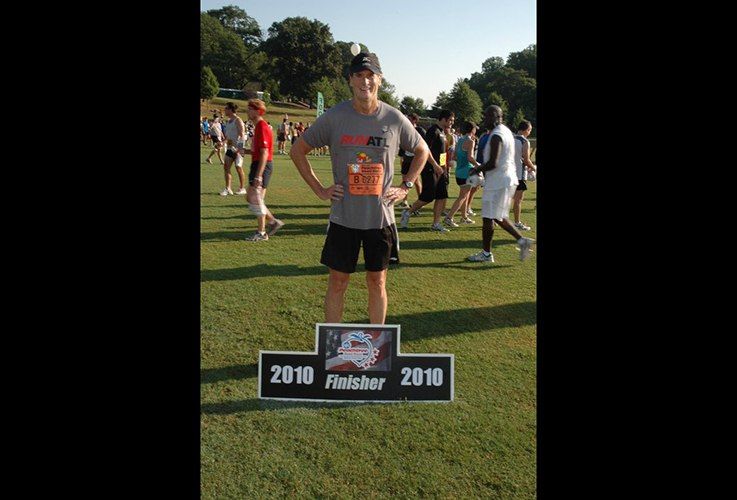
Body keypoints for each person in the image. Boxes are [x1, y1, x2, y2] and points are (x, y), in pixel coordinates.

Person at [289, 51, 429, 324]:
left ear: (380, 79)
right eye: (359, 76)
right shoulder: (334, 117)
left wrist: (406, 185)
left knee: (377, 282)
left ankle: (377, 344)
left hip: (381, 218)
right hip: (344, 218)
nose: (365, 82)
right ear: (350, 80)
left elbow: (422, 150)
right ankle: (332, 347)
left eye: (370, 76)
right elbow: (298, 150)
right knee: (338, 283)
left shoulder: (394, 118)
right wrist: (320, 189)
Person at [467, 105, 535, 263]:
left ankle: (486, 254)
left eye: (489, 116)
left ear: (498, 117)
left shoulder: (497, 135)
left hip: (498, 180)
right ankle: (521, 241)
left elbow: (493, 163)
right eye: (486, 116)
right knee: (497, 216)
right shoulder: (506, 132)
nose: (486, 119)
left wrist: (477, 169)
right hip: (506, 179)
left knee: (488, 217)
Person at [399, 110, 455, 233]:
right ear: (444, 119)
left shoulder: (443, 133)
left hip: (441, 169)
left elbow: (442, 152)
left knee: (441, 195)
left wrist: (445, 167)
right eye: (450, 120)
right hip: (430, 168)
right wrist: (435, 165)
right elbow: (425, 150)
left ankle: (436, 223)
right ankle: (407, 212)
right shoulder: (432, 131)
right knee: (428, 197)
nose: (452, 123)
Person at [243, 99, 284, 241]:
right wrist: (245, 151)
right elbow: (259, 150)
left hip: (262, 165)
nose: (247, 111)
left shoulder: (262, 126)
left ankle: (262, 232)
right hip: (258, 164)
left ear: (257, 111)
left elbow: (265, 153)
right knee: (252, 197)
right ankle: (272, 222)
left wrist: (258, 176)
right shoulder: (257, 127)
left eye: (250, 108)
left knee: (256, 198)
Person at [443, 121, 481, 226]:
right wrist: (479, 166)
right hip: (466, 172)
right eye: (475, 129)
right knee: (463, 196)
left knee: (465, 195)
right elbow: (470, 158)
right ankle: (449, 217)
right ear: (472, 129)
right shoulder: (470, 141)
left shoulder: (459, 139)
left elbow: (454, 156)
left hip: (459, 172)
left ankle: (464, 217)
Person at [511, 120, 537, 230]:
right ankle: (517, 222)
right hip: (519, 175)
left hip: (508, 173)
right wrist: (533, 167)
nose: (530, 132)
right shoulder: (524, 141)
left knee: (507, 198)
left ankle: (497, 220)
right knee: (518, 200)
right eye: (530, 130)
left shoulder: (510, 139)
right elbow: (526, 160)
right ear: (526, 130)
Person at [398, 113, 425, 207]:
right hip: (406, 158)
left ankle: (421, 200)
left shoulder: (420, 130)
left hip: (415, 159)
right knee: (404, 180)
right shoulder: (405, 130)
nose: (407, 120)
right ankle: (404, 201)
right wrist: (401, 156)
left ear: (414, 120)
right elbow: (402, 144)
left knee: (416, 181)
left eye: (409, 119)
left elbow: (424, 146)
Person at [220, 102, 248, 196]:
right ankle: (228, 188)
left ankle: (242, 188)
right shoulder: (228, 121)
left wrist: (238, 149)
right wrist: (222, 142)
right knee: (226, 167)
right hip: (229, 148)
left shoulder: (238, 120)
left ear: (231, 110)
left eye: (226, 108)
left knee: (238, 167)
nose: (225, 110)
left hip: (238, 148)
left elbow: (242, 135)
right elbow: (228, 136)